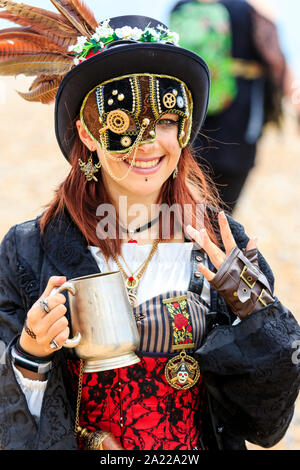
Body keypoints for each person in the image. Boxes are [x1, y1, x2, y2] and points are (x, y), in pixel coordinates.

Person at [0, 0, 299, 451]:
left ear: (183, 128)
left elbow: (267, 424)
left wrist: (252, 310)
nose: (148, 143)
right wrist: (31, 352)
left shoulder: (221, 247)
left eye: (164, 120)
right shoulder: (29, 251)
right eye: (121, 122)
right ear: (86, 133)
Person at [169, 0, 297, 212]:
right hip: (240, 121)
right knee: (225, 203)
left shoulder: (182, 7)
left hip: (193, 118)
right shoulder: (251, 9)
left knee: (194, 189)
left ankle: (193, 233)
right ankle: (216, 234)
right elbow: (276, 60)